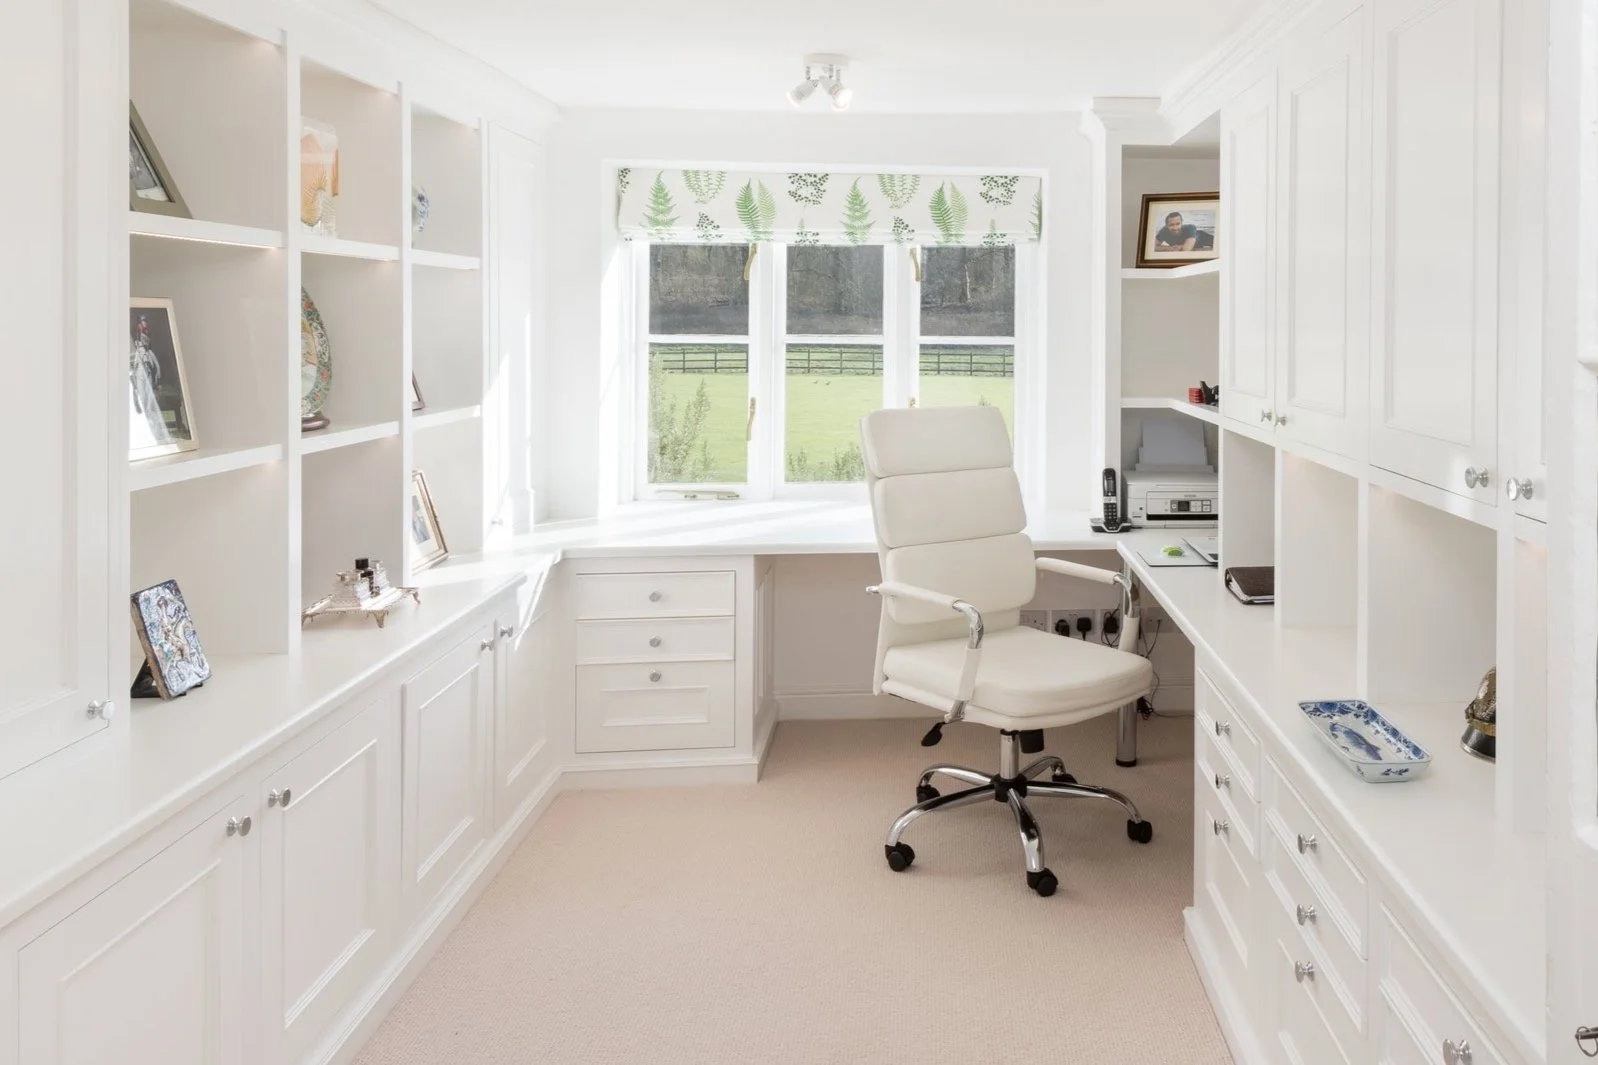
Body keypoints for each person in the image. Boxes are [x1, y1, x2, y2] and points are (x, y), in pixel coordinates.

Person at [130, 313, 169, 444]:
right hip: (140, 355)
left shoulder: (146, 331)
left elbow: (147, 342)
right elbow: (139, 343)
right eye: (143, 321)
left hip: (147, 352)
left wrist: (145, 345)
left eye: (145, 321)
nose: (144, 322)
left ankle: (157, 379)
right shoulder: (138, 331)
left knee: (154, 364)